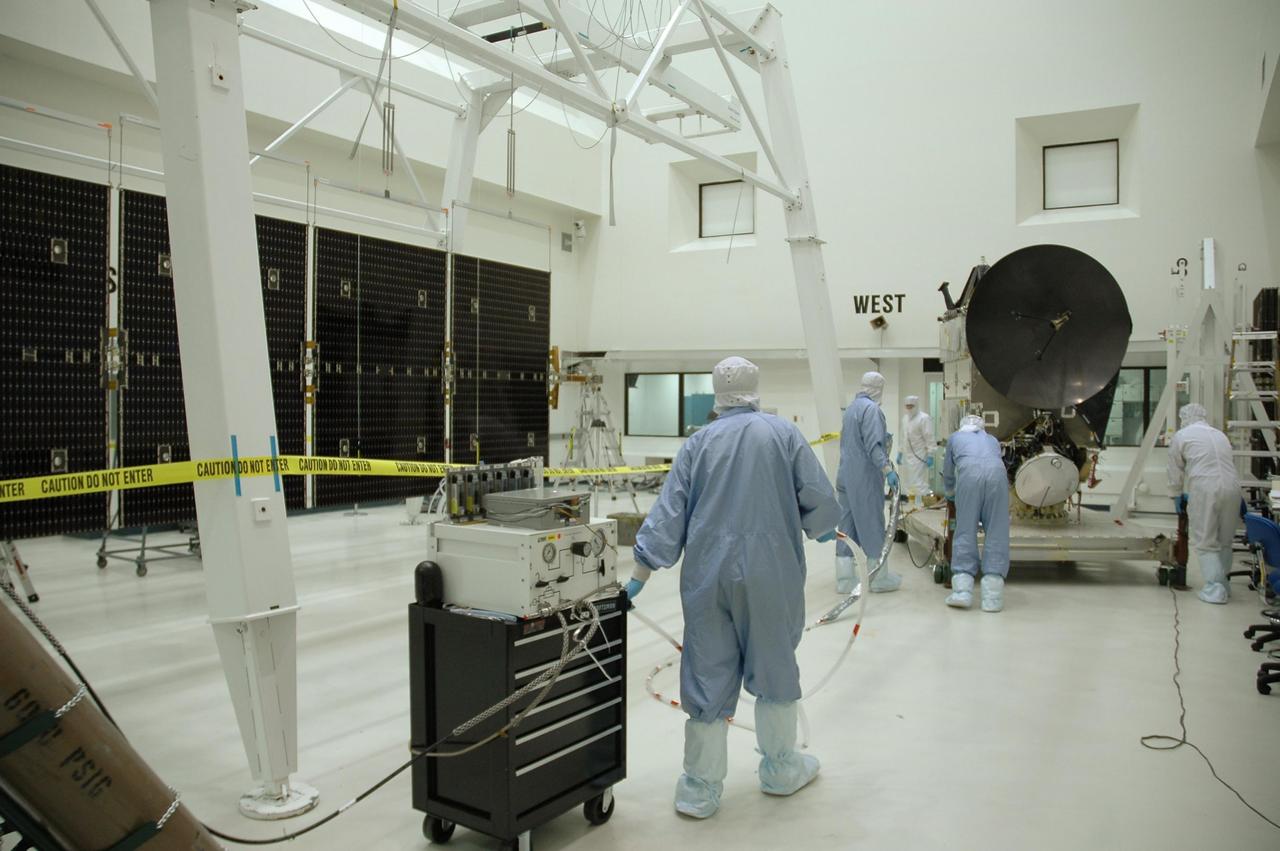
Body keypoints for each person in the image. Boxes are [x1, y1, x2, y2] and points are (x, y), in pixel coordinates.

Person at [625, 356, 840, 819]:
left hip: (709, 577)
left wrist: (640, 572)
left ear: (717, 396)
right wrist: (823, 529)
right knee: (775, 665)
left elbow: (668, 515)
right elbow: (817, 498)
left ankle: (699, 788)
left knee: (707, 670)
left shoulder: (697, 445)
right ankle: (781, 769)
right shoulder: (782, 434)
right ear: (756, 389)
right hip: (771, 572)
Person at [834, 371, 902, 594]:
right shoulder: (872, 410)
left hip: (845, 477)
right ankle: (878, 578)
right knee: (872, 524)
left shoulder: (852, 408)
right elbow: (874, 447)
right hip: (864, 478)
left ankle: (845, 580)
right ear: (879, 389)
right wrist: (888, 470)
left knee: (846, 528)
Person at [1167, 403, 1241, 604]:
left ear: (1185, 418)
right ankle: (1224, 583)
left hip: (1205, 487)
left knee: (1205, 540)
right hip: (1233, 487)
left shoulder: (1182, 435)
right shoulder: (1219, 435)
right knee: (1225, 540)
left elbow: (1175, 470)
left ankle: (1215, 588)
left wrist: (1176, 494)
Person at [941, 414, 1011, 612]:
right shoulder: (992, 439)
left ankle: (962, 591)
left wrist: (950, 493)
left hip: (969, 478)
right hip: (998, 477)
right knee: (997, 530)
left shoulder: (955, 438)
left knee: (965, 529)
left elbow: (948, 471)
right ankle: (993, 598)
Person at [897, 395, 936, 507]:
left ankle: (919, 504)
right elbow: (902, 437)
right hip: (907, 456)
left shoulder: (924, 418)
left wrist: (931, 455)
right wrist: (900, 452)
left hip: (920, 455)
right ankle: (911, 504)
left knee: (918, 482)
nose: (909, 409)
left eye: (911, 406)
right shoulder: (905, 419)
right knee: (908, 481)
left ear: (916, 405)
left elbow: (929, 437)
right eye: (907, 406)